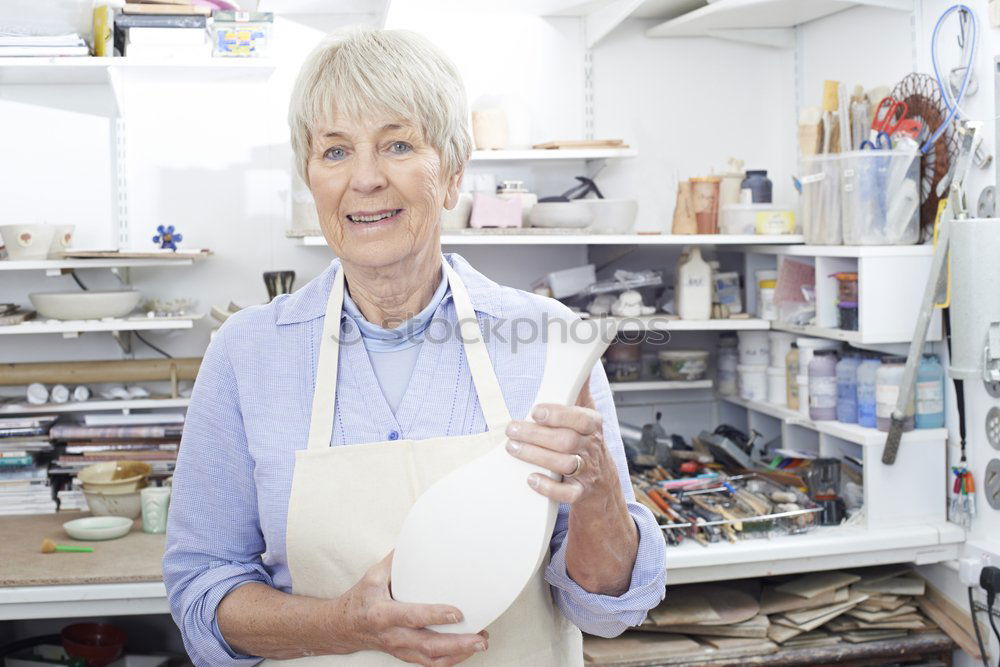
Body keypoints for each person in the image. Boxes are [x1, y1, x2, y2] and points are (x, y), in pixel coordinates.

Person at [163, 26, 666, 666]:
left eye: (398, 145)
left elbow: (609, 609)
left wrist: (596, 495)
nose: (365, 179)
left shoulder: (550, 339)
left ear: (452, 175)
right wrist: (344, 626)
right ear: (310, 177)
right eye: (335, 151)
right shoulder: (247, 353)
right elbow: (203, 597)